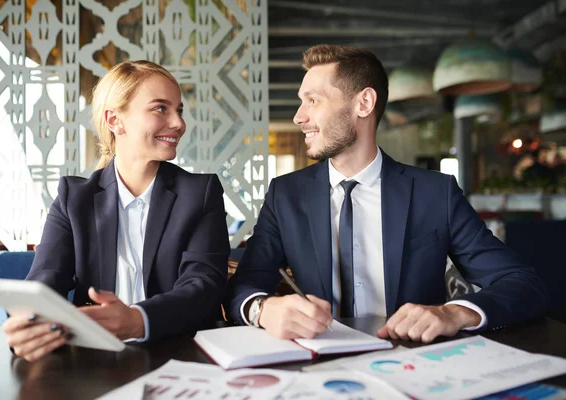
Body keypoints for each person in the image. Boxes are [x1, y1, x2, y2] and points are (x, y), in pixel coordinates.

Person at [225, 45, 548, 343]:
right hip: (317, 360)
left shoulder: (434, 193)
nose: (299, 116)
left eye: (313, 100)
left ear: (364, 103)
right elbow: (245, 284)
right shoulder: (286, 194)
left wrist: (454, 312)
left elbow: (522, 283)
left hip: (413, 359)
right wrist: (263, 309)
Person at [3, 61, 230, 361]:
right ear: (115, 120)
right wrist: (28, 322)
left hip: (181, 353)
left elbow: (204, 286)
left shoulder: (200, 193)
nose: (179, 123)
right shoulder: (74, 198)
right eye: (161, 108)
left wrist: (139, 318)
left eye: (179, 110)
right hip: (94, 360)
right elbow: (45, 277)